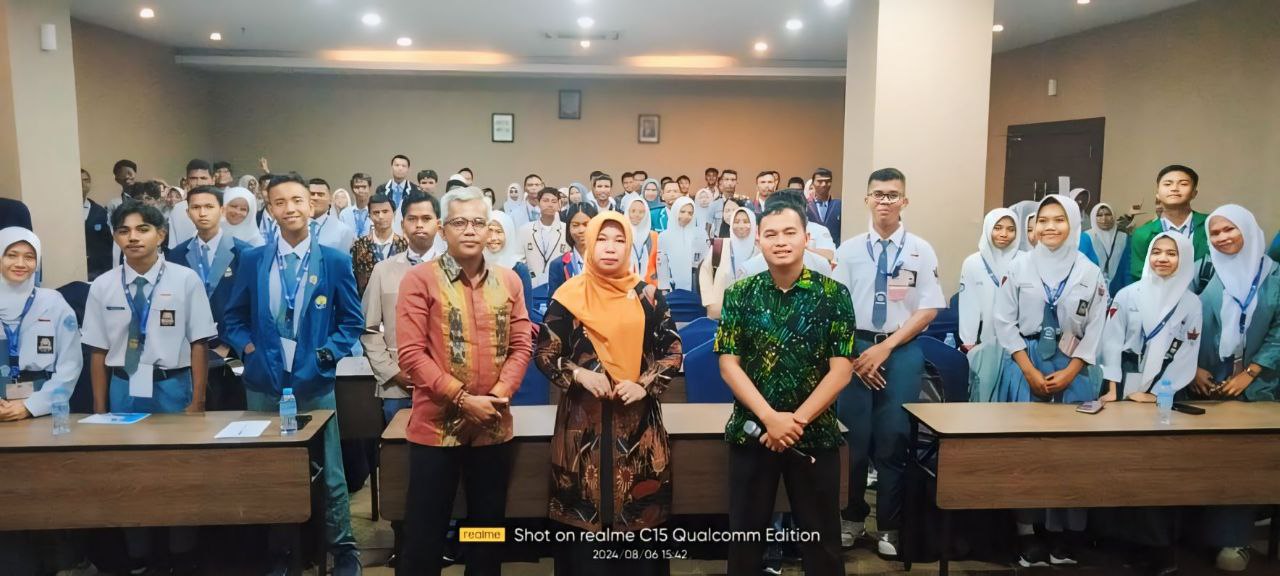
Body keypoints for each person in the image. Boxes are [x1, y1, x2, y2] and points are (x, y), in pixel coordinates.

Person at [222, 172, 364, 575]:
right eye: (280, 202)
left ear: (311, 205)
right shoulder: (253, 259)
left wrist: (325, 355)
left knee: (330, 471)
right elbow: (233, 319)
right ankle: (281, 552)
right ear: (270, 209)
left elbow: (351, 322)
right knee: (270, 470)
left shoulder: (334, 261)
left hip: (313, 382)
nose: (290, 208)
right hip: (264, 383)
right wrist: (250, 350)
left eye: (298, 200)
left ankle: (343, 549)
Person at [535, 211, 682, 575]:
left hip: (638, 431)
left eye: (619, 240)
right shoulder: (568, 296)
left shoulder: (648, 296)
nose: (610, 247)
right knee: (583, 540)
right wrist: (579, 374)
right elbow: (545, 353)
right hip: (581, 431)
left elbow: (672, 351)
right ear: (588, 243)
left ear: (629, 245)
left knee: (639, 528)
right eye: (602, 239)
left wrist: (644, 383)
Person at [395, 186, 533, 575]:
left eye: (477, 222)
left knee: (485, 530)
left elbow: (522, 345)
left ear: (489, 228)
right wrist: (462, 399)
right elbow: (411, 355)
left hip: (492, 426)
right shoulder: (419, 280)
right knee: (426, 530)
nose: (469, 230)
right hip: (436, 429)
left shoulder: (509, 281)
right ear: (443, 229)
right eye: (459, 222)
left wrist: (498, 396)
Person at [716, 194, 856, 575]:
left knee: (823, 545)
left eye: (790, 232)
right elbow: (728, 365)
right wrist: (770, 418)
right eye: (771, 234)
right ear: (758, 239)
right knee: (744, 543)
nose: (781, 241)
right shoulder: (740, 294)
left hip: (814, 435)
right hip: (753, 433)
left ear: (806, 238)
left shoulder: (834, 296)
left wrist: (794, 422)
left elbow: (841, 370)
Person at [81, 202, 216, 573]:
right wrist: (99, 410)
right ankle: (139, 556)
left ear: (161, 235)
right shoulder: (103, 286)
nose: (133, 237)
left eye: (142, 229)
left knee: (179, 474)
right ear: (115, 237)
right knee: (128, 475)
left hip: (172, 386)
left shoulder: (185, 279)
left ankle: (181, 554)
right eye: (124, 231)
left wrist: (198, 401)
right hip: (123, 388)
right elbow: (97, 351)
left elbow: (199, 343)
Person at [832, 168, 945, 557]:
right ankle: (851, 517)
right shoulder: (848, 251)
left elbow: (928, 308)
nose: (885, 201)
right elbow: (836, 307)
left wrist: (886, 348)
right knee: (853, 440)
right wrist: (855, 354)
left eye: (892, 195)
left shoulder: (920, 250)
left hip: (901, 351)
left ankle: (890, 526)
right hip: (854, 351)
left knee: (894, 440)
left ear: (904, 201)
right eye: (878, 194)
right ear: (867, 200)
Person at [993, 194, 1108, 566]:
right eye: (1043, 220)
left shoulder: (1090, 272)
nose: (1050, 227)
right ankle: (1026, 530)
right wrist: (1028, 370)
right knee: (1025, 453)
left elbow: (1096, 327)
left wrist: (1073, 370)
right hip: (1025, 360)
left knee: (1067, 454)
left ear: (1073, 224)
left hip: (1072, 365)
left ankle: (1061, 532)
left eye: (1059, 219)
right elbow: (1003, 321)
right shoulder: (1019, 266)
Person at [1189, 205, 1279, 572]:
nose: (1223, 237)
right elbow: (1179, 315)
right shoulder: (1202, 270)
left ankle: (1234, 538)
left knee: (1240, 460)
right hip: (1204, 381)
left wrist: (1251, 373)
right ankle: (1194, 535)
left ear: (1248, 229)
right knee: (1197, 462)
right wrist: (1191, 368)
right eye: (1215, 232)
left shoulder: (1274, 276)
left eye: (1230, 229)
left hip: (1257, 386)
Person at [168, 186, 253, 411]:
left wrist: (228, 343)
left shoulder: (244, 253)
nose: (202, 213)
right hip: (190, 349)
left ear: (222, 210)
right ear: (188, 213)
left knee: (233, 407)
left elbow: (250, 305)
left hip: (232, 350)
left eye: (209, 206)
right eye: (196, 207)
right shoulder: (176, 255)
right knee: (196, 410)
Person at [362, 192, 440, 426]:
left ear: (438, 224)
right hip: (397, 384)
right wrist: (392, 372)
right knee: (397, 446)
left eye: (426, 218)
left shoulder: (454, 269)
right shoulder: (382, 270)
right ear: (402, 224)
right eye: (412, 219)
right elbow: (368, 329)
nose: (419, 225)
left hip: (444, 383)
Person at [1100, 232, 1201, 401]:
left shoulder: (1191, 303)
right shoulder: (1127, 294)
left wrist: (1156, 394)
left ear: (1183, 258)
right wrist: (1112, 389)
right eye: (1156, 252)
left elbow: (1187, 353)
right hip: (1124, 375)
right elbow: (1111, 342)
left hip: (1167, 384)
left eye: (1171, 254)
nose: (1162, 259)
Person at [0, 227, 81, 421]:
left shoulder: (54, 303)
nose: (20, 264)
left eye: (29, 257)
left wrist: (31, 406)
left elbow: (71, 364)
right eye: (11, 255)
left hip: (44, 405)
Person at [958, 208, 1021, 402]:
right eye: (998, 228)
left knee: (1013, 393)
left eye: (1011, 229)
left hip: (1017, 342)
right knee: (983, 393)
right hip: (984, 340)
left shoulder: (1023, 261)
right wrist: (968, 342)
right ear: (988, 228)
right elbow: (968, 304)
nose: (1004, 234)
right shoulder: (973, 263)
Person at [1127, 165, 1211, 289]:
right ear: (1157, 193)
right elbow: (1139, 276)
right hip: (1158, 298)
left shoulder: (1211, 225)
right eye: (1167, 184)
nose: (1174, 188)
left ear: (1194, 193)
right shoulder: (1143, 234)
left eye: (1183, 184)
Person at [700, 205, 757, 319]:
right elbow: (705, 273)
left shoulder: (759, 253)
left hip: (749, 317)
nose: (741, 225)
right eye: (736, 221)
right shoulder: (719, 246)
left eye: (746, 221)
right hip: (719, 313)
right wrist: (709, 302)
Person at [350, 193, 407, 297]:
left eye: (385, 211)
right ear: (369, 216)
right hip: (366, 301)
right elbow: (353, 279)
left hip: (398, 301)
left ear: (393, 213)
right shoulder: (359, 246)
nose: (381, 216)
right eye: (376, 212)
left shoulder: (404, 245)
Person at [517, 187, 569, 289]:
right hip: (532, 285)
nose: (550, 204)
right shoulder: (525, 229)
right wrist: (530, 277)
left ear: (559, 204)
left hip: (559, 286)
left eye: (554, 201)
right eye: (545, 200)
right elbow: (519, 259)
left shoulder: (566, 230)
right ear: (538, 202)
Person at [657, 195, 710, 294]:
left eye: (690, 213)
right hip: (673, 287)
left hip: (696, 286)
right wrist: (664, 290)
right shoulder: (664, 236)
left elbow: (706, 261)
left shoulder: (701, 234)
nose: (686, 216)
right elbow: (662, 264)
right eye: (682, 211)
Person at [486, 211, 535, 316]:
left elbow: (526, 314)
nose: (493, 238)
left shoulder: (518, 269)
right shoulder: (474, 266)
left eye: (499, 231)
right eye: (489, 231)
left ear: (508, 234)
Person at [547, 202, 598, 298]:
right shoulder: (558, 265)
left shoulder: (604, 261)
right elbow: (553, 303)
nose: (581, 230)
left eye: (586, 224)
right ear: (568, 228)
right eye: (575, 225)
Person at [166, 159, 215, 250]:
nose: (198, 183)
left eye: (203, 178)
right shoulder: (178, 209)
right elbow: (173, 245)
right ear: (187, 181)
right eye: (193, 178)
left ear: (213, 180)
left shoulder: (223, 206)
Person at [1086, 202, 1131, 296]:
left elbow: (1128, 266)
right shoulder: (1086, 237)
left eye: (1107, 214)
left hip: (1118, 288)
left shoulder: (1124, 238)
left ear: (1113, 216)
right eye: (1099, 215)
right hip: (1091, 288)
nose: (1104, 219)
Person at [308, 178, 357, 253]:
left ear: (330, 199)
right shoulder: (291, 228)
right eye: (312, 194)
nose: (315, 198)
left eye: (320, 194)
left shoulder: (343, 231)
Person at [82, 169, 114, 280]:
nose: (83, 184)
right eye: (79, 180)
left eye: (86, 180)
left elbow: (109, 243)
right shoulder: (65, 211)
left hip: (98, 271)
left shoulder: (100, 212)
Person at [622, 194, 660, 287]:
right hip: (625, 284)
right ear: (627, 212)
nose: (637, 215)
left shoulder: (654, 236)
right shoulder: (621, 235)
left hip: (650, 285)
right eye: (633, 211)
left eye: (641, 212)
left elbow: (659, 265)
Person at [805, 168, 843, 243]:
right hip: (812, 247)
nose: (824, 184)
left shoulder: (839, 205)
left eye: (827, 181)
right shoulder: (806, 206)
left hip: (834, 247)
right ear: (813, 183)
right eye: (819, 181)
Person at [340, 173, 376, 238]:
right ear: (352, 190)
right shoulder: (344, 214)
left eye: (364, 187)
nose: (360, 190)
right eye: (356, 187)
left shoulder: (377, 212)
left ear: (369, 188)